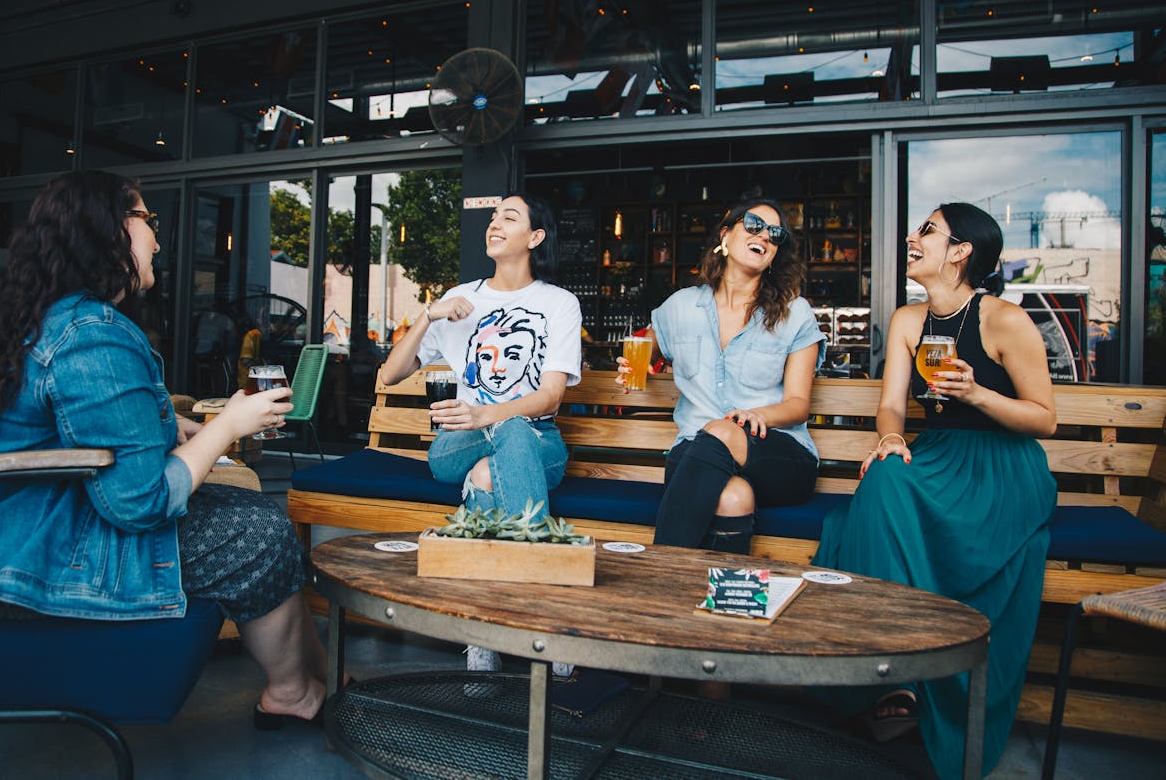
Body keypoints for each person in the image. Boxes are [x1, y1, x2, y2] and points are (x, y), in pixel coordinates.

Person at [0, 170, 335, 729]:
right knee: (257, 534)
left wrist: (178, 427)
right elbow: (138, 501)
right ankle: (293, 693)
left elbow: (80, 437)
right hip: (5, 570)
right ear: (108, 230)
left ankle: (321, 678)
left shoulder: (47, 317)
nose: (158, 241)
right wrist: (227, 426)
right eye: (148, 221)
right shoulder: (92, 333)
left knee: (256, 514)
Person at [812, 203, 1057, 780]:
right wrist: (892, 437)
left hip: (1003, 468)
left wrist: (977, 396)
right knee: (883, 475)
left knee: (873, 506)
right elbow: (892, 405)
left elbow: (1045, 419)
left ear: (961, 250)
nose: (910, 237)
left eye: (926, 230)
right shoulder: (906, 320)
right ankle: (891, 669)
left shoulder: (1004, 320)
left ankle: (912, 675)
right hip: (937, 454)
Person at [379, 193, 582, 676]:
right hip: (456, 444)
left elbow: (551, 397)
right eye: (493, 217)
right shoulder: (459, 299)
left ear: (534, 238)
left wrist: (487, 414)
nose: (495, 224)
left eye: (509, 217)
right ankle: (543, 613)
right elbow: (389, 374)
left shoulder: (558, 304)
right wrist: (429, 313)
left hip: (537, 442)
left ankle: (483, 632)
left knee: (491, 471)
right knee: (495, 440)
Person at [624, 199, 825, 557]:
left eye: (775, 234)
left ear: (775, 254)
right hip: (695, 453)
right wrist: (637, 363)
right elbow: (646, 347)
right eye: (752, 224)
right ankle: (721, 605)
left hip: (776, 452)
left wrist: (759, 415)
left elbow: (798, 405)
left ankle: (657, 571)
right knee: (733, 497)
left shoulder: (795, 314)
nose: (764, 235)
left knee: (721, 429)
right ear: (725, 235)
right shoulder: (681, 307)